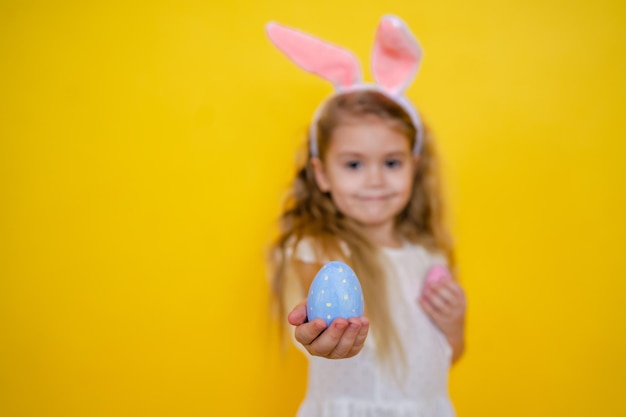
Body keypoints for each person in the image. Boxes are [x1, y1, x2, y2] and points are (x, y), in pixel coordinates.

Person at [266, 15, 467, 417]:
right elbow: (319, 307)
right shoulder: (321, 248)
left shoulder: (430, 255)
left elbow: (445, 359)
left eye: (391, 163)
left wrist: (456, 325)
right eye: (354, 165)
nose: (375, 180)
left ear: (414, 165)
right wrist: (324, 335)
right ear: (322, 173)